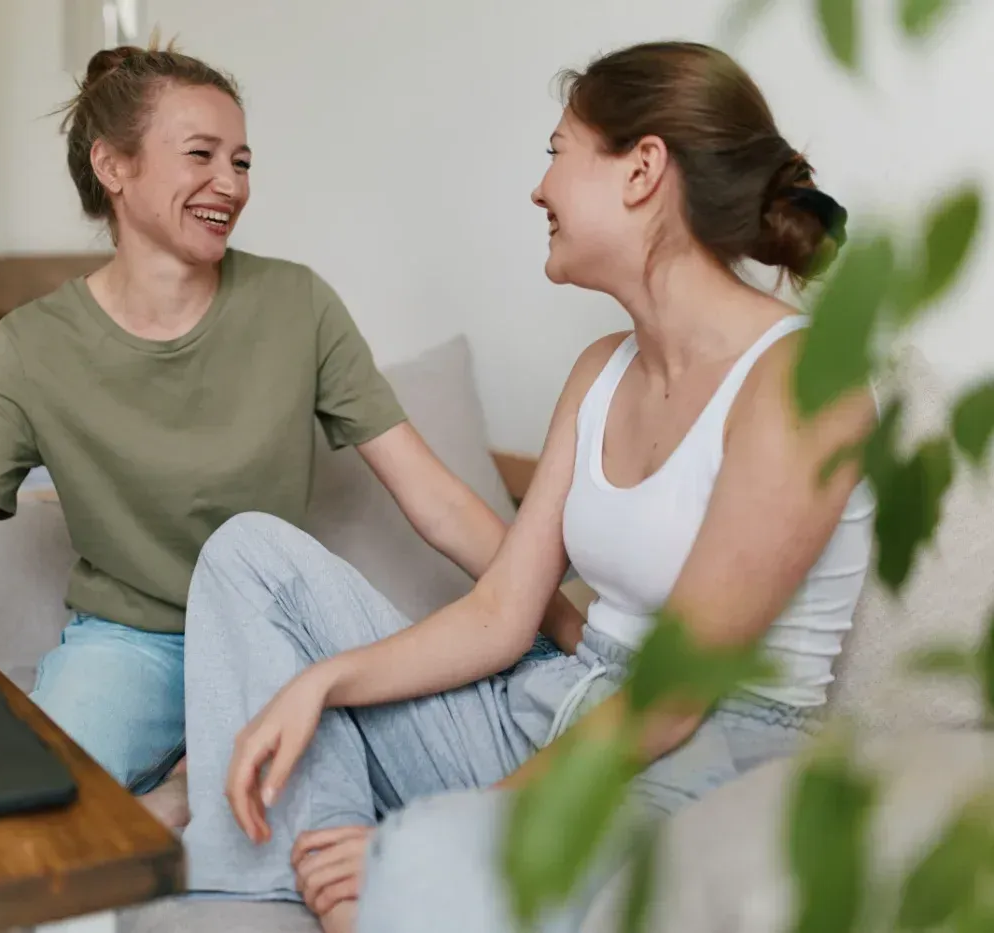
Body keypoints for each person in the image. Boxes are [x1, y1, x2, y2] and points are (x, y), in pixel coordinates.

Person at [179, 40, 876, 933]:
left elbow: (668, 703)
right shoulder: (599, 372)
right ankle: (302, 887)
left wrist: (454, 827)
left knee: (430, 855)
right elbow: (501, 612)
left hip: (700, 761)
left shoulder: (802, 382)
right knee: (249, 556)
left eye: (557, 152)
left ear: (643, 169)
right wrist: (321, 681)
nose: (539, 187)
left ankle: (382, 879)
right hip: (562, 707)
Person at [0, 41, 585, 818]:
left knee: (369, 799)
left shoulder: (298, 304)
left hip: (276, 634)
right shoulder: (33, 345)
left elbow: (436, 500)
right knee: (26, 805)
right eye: (202, 154)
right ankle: (182, 787)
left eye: (242, 161)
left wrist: (569, 624)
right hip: (128, 642)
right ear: (114, 166)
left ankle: (192, 789)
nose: (229, 184)